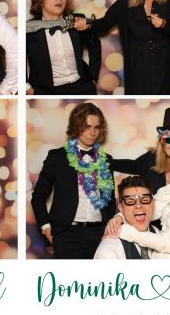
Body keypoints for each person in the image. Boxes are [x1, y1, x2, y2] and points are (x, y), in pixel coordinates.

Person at [31, 102, 116, 259]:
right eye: (87, 127)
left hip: (99, 235)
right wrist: (47, 228)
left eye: (96, 127)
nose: (92, 132)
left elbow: (110, 200)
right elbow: (38, 196)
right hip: (67, 234)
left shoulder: (106, 160)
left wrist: (110, 228)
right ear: (77, 127)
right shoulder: (57, 157)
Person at [27, 0, 100, 94]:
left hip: (83, 87)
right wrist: (27, 88)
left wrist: (93, 76)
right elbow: (16, 58)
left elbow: (95, 44)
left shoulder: (78, 20)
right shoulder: (30, 28)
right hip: (47, 92)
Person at [110, 106, 170, 194]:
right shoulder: (151, 159)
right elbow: (131, 166)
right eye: (169, 139)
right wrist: (104, 160)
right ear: (162, 141)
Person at [94, 176, 155, 259]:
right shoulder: (109, 250)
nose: (138, 205)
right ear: (121, 207)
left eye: (145, 200)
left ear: (153, 203)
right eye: (130, 201)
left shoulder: (160, 234)